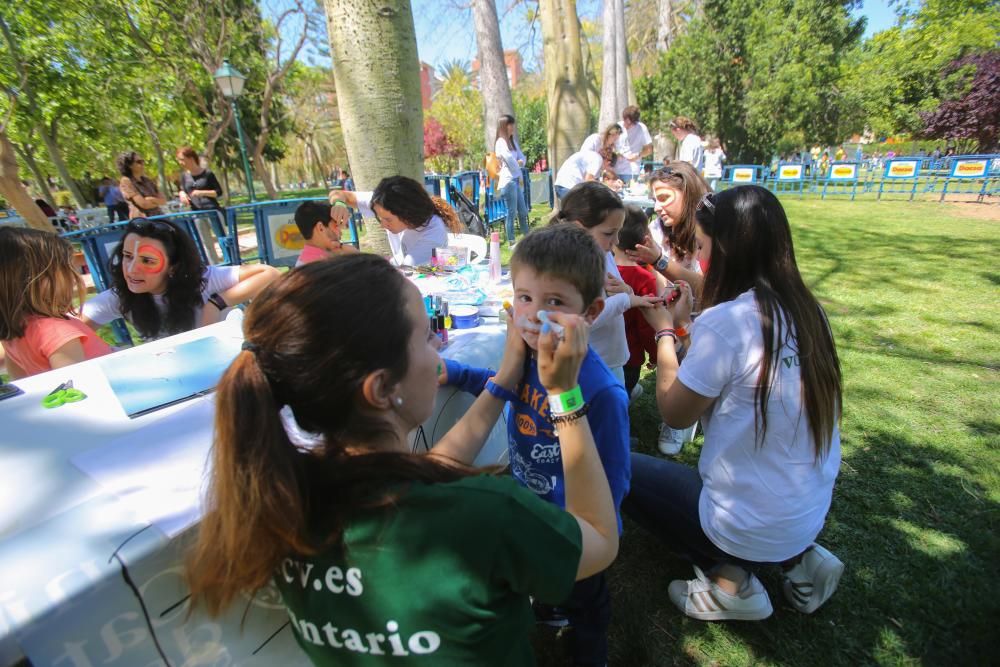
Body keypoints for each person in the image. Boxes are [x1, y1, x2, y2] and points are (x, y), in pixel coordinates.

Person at [185, 254, 620, 666]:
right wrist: (565, 397)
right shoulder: (487, 513)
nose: (437, 348)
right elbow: (599, 540)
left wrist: (504, 380)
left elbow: (428, 471)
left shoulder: (280, 499)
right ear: (381, 390)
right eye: (425, 335)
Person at [625, 185, 844, 622]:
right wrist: (689, 326)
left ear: (724, 248)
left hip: (743, 523)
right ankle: (799, 558)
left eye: (703, 248)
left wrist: (666, 331)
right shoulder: (809, 310)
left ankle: (731, 584)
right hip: (805, 513)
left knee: (619, 465)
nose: (701, 259)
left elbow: (674, 411)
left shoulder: (728, 324)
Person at [440, 224, 629, 667]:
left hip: (575, 529)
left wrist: (603, 538)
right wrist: (457, 373)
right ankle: (547, 609)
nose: (531, 316)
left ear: (592, 311)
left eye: (554, 303)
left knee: (587, 605)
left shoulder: (599, 392)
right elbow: (502, 385)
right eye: (524, 297)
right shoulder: (525, 356)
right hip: (530, 507)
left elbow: (615, 477)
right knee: (542, 586)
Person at [624, 163, 708, 455]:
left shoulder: (709, 230)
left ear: (687, 192)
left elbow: (710, 288)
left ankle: (682, 415)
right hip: (679, 309)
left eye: (664, 198)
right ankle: (668, 403)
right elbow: (662, 281)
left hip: (710, 314)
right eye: (655, 199)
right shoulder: (660, 229)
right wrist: (666, 296)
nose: (658, 207)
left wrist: (661, 261)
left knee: (676, 340)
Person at [81, 218, 279, 342]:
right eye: (127, 256)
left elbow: (269, 274)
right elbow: (73, 329)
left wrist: (215, 304)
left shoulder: (204, 280)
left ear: (173, 267)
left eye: (147, 260)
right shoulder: (121, 297)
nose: (132, 270)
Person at [554, 182, 660, 386]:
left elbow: (617, 293)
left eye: (618, 232)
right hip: (592, 364)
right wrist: (626, 300)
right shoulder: (570, 267)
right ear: (579, 228)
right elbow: (582, 320)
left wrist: (627, 291)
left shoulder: (603, 252)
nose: (617, 240)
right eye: (609, 233)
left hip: (612, 359)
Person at [0, 227, 112, 379]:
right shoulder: (57, 331)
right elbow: (77, 387)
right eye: (66, 268)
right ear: (36, 280)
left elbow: (21, 384)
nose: (74, 276)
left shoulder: (12, 333)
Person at [327, 176, 462, 267]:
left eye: (387, 220)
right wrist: (340, 203)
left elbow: (401, 278)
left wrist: (357, 256)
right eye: (380, 218)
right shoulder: (384, 203)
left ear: (407, 214)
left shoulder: (433, 234)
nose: (382, 225)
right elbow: (338, 194)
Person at [612, 207, 662, 400]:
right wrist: (655, 354)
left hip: (604, 353)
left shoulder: (601, 270)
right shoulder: (645, 278)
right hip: (630, 356)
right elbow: (647, 325)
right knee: (622, 397)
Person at [494, 114, 530, 246]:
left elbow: (522, 157)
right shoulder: (500, 143)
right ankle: (511, 242)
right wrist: (518, 164)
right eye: (510, 124)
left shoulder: (512, 141)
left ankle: (528, 238)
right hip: (508, 181)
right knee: (512, 212)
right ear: (504, 126)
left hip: (516, 180)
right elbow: (509, 159)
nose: (513, 127)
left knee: (523, 211)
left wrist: (520, 163)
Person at [293, 201, 359, 266]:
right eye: (336, 225)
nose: (340, 232)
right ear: (320, 228)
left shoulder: (307, 262)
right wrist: (356, 257)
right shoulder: (324, 265)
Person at [117, 151, 166, 219]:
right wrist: (156, 201)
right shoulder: (126, 181)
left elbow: (163, 200)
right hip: (143, 222)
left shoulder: (147, 180)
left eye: (142, 161)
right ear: (129, 165)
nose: (143, 164)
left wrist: (151, 199)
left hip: (160, 218)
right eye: (139, 162)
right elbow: (143, 204)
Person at [176, 147, 224, 215]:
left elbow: (219, 192)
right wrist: (181, 194)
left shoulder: (207, 173)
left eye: (182, 159)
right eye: (179, 160)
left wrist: (202, 192)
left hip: (212, 211)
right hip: (196, 213)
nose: (180, 163)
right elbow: (183, 190)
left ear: (191, 158)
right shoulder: (184, 176)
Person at [618, 106, 654, 180]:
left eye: (629, 123)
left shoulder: (642, 128)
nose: (626, 125)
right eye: (625, 121)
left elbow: (649, 149)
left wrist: (638, 155)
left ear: (635, 122)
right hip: (615, 169)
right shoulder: (618, 126)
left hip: (631, 170)